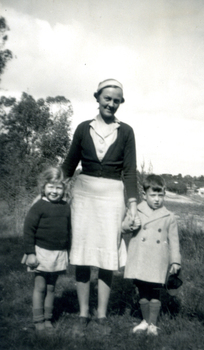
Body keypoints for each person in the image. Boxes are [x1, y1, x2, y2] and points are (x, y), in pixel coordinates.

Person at [61, 79, 138, 332]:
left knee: (107, 257)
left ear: (120, 103)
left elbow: (129, 171)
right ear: (98, 98)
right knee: (82, 255)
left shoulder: (126, 131)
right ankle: (83, 313)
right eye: (107, 98)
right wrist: (50, 189)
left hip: (113, 197)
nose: (111, 104)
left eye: (116, 100)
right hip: (84, 196)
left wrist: (133, 204)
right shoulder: (84, 128)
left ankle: (102, 316)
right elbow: (70, 164)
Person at [122, 174, 181, 336]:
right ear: (144, 195)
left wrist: (176, 261)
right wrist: (131, 223)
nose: (156, 199)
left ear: (164, 195)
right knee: (142, 291)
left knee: (155, 292)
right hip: (140, 257)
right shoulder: (136, 210)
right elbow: (124, 228)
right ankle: (144, 321)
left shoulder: (169, 216)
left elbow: (174, 241)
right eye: (152, 195)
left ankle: (152, 324)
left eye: (160, 195)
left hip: (158, 259)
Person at [22, 167, 71, 331]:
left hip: (58, 253)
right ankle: (38, 320)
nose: (54, 191)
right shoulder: (39, 206)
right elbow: (28, 230)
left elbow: (68, 230)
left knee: (51, 288)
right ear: (43, 187)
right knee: (40, 287)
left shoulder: (66, 207)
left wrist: (68, 251)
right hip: (40, 252)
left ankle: (48, 319)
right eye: (51, 186)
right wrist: (30, 253)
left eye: (58, 187)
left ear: (64, 189)